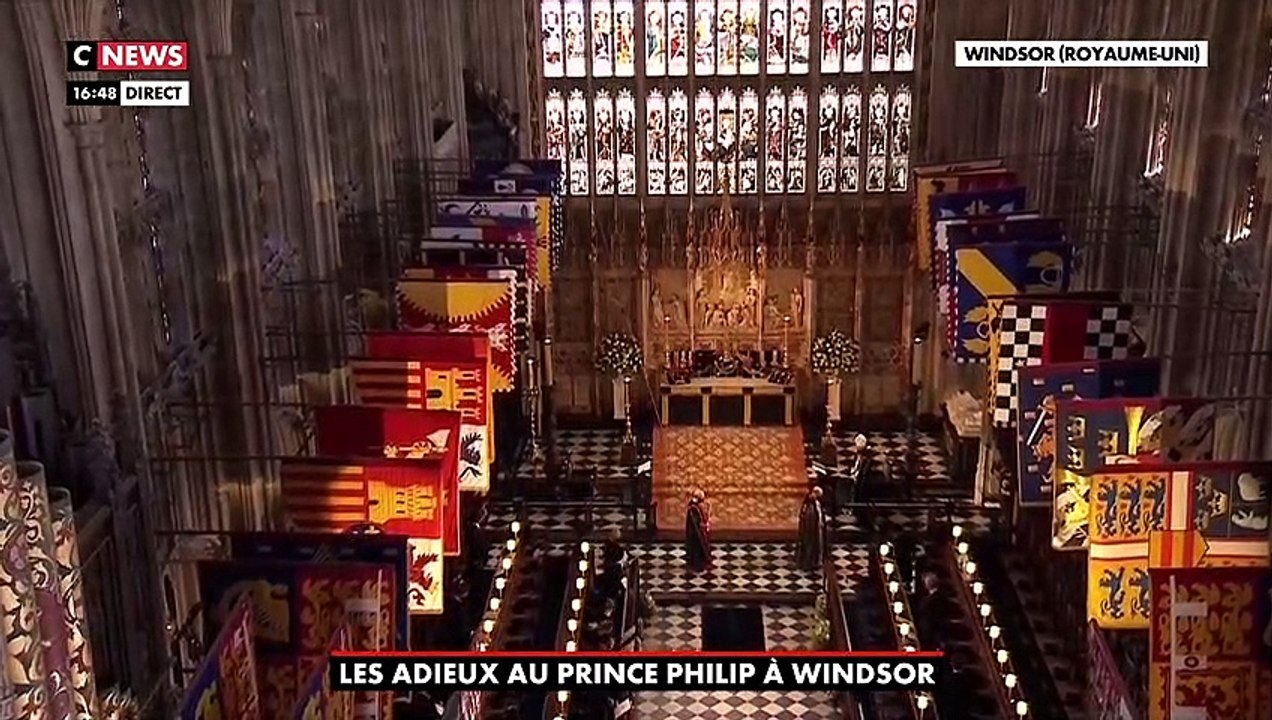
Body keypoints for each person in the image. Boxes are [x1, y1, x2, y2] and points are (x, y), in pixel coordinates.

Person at [796, 487, 827, 570]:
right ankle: (808, 562)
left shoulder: (815, 503)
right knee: (809, 543)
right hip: (810, 529)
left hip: (816, 527)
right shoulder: (810, 506)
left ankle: (815, 562)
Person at [684, 489, 712, 573]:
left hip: (698, 530)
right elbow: (695, 521)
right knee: (697, 549)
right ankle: (696, 565)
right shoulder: (693, 507)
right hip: (695, 533)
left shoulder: (696, 506)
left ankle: (699, 563)